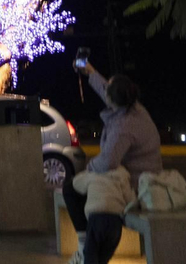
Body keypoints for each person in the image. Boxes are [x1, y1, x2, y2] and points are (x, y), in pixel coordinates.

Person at [62, 61, 162, 264]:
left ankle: (84, 247)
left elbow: (108, 161)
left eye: (108, 87)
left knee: (72, 188)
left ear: (112, 100)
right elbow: (106, 89)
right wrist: (90, 71)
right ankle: (86, 246)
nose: (105, 87)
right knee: (87, 189)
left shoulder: (123, 127)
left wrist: (88, 168)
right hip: (127, 174)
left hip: (135, 182)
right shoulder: (133, 107)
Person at [69, 166, 133, 264]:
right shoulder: (122, 174)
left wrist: (88, 170)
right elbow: (129, 198)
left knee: (91, 252)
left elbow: (76, 183)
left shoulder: (93, 173)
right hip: (115, 220)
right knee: (105, 254)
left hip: (96, 218)